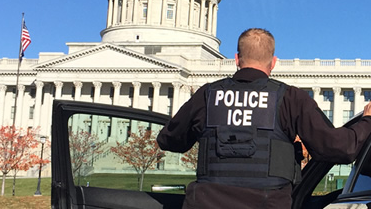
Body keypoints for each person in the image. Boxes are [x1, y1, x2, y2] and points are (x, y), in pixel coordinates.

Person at [157, 28, 371, 209]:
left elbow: (169, 140)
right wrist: (367, 120)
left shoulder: (207, 95)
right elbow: (339, 148)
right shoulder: (290, 98)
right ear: (274, 62)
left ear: (237, 58)